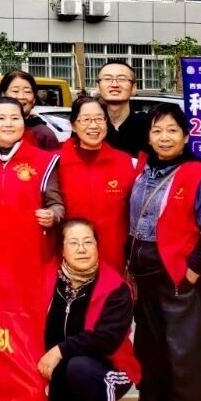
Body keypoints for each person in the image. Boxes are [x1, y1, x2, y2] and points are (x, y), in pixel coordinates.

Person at [128, 104, 201, 401]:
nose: (164, 137)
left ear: (186, 136)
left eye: (172, 130)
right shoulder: (142, 170)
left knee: (185, 356)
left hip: (179, 278)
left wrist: (190, 273)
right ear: (148, 137)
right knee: (154, 351)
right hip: (145, 276)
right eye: (157, 131)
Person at [37, 219, 139, 401]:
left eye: (88, 242)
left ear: (97, 246)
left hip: (109, 369)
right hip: (57, 371)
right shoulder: (45, 278)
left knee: (81, 367)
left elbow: (106, 339)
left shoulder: (116, 288)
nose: (82, 249)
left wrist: (60, 350)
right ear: (62, 249)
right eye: (73, 243)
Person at [58, 97, 134, 272]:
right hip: (69, 261)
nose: (93, 126)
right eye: (85, 119)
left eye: (99, 119)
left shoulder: (124, 162)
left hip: (113, 259)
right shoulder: (56, 161)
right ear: (73, 125)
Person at [0, 97, 64, 229]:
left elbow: (56, 204)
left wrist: (53, 215)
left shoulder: (44, 160)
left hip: (26, 236)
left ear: (24, 122)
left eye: (15, 118)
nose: (8, 124)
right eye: (1, 118)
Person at [0, 71, 60, 151]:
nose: (21, 96)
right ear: (3, 95)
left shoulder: (44, 134)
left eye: (27, 91)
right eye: (15, 91)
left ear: (34, 99)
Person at [97, 61, 150, 156]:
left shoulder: (149, 126)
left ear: (134, 87)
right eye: (107, 79)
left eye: (121, 79)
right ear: (98, 87)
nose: (114, 85)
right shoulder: (88, 127)